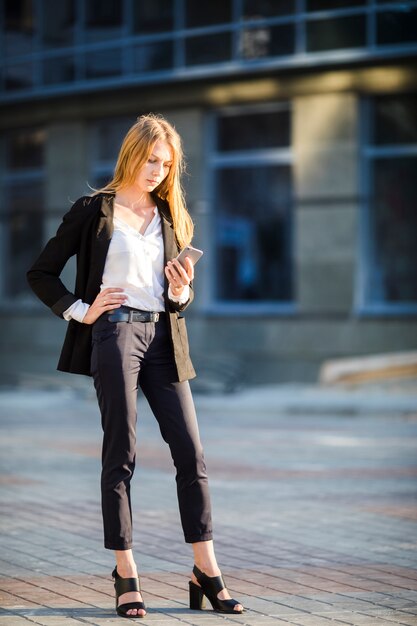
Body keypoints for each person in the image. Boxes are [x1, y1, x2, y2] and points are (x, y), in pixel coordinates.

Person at [27, 113, 244, 619]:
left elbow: (179, 298)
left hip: (165, 336)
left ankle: (205, 570)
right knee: (121, 450)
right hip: (114, 332)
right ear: (131, 154)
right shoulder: (93, 210)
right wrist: (82, 310)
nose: (158, 171)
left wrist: (181, 288)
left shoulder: (171, 214)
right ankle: (126, 572)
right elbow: (40, 271)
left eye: (166, 164)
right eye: (151, 160)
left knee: (191, 453)